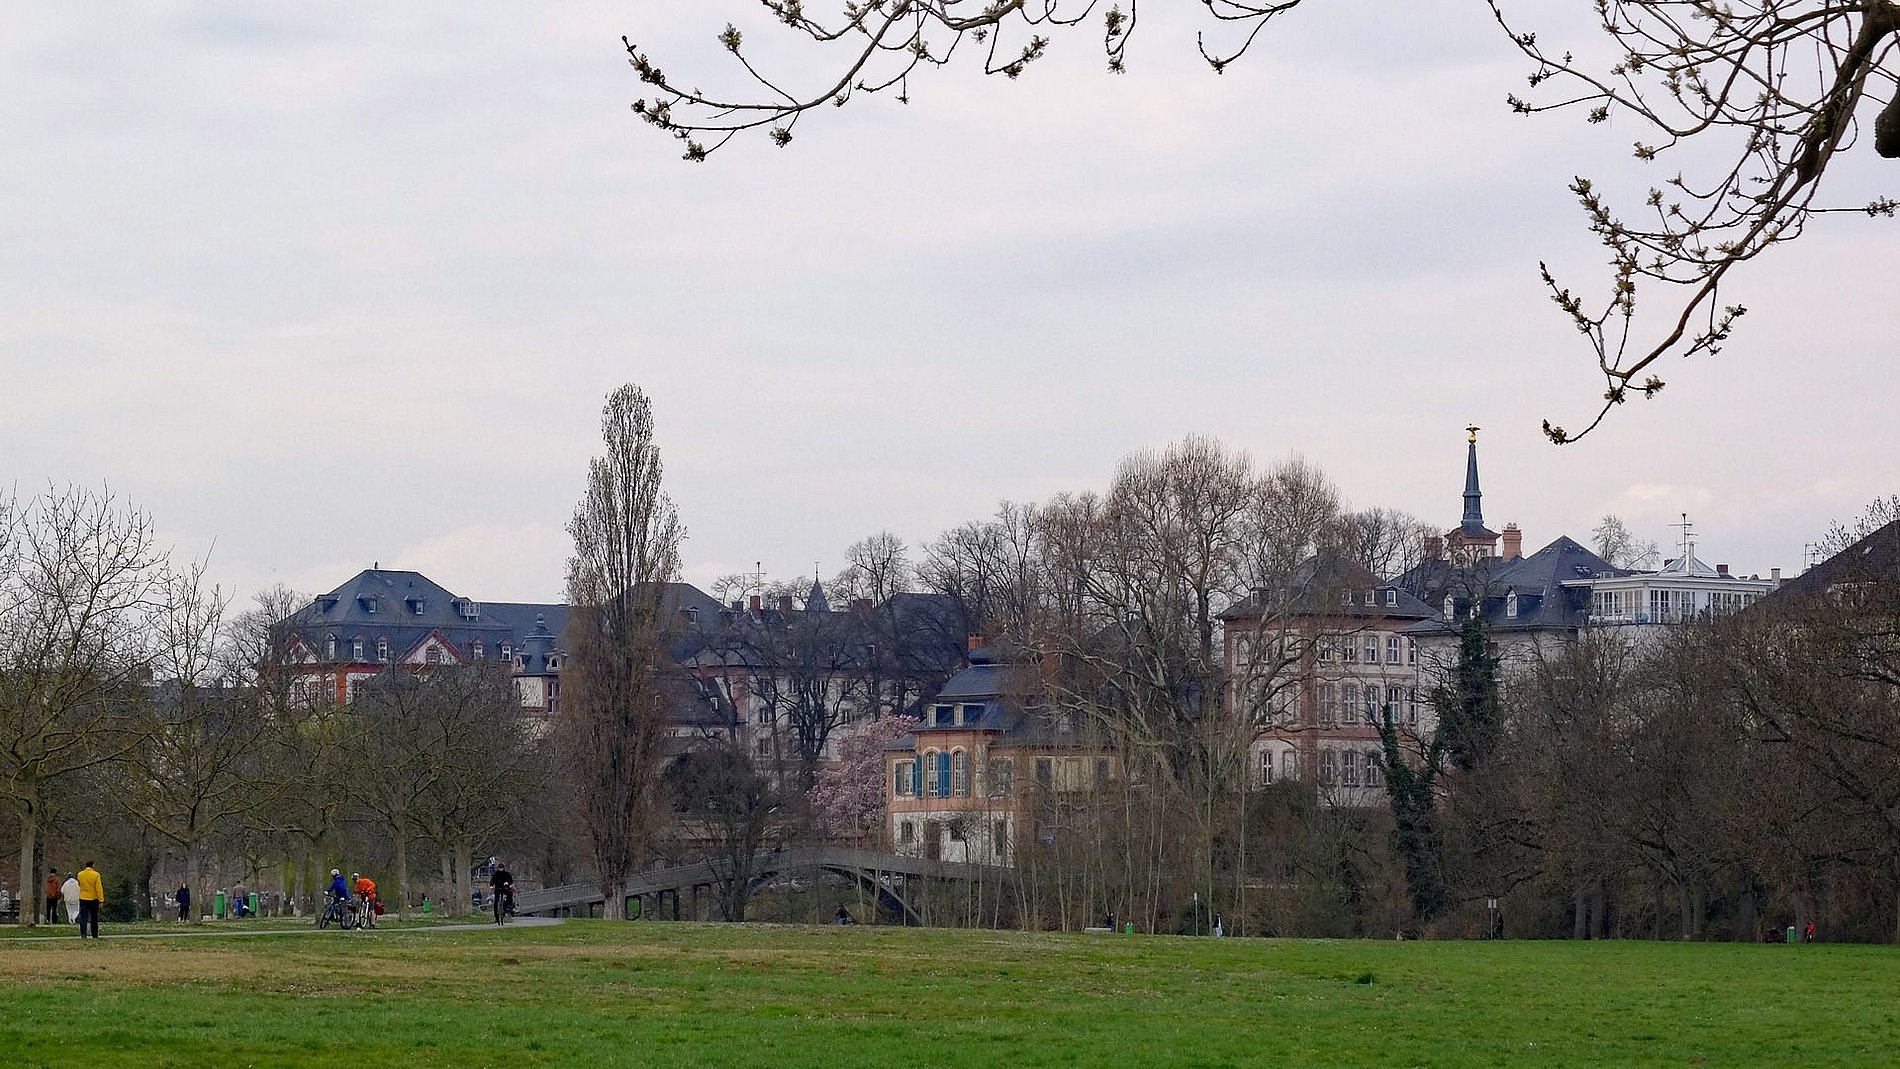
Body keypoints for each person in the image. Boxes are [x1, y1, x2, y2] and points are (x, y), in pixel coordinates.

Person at [75, 861, 104, 939]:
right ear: (93, 866)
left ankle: (83, 933)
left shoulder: (80, 874)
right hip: (94, 898)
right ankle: (94, 934)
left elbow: (79, 884)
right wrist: (101, 899)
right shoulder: (96, 875)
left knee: (83, 917)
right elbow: (98, 888)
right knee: (94, 917)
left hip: (83, 898)